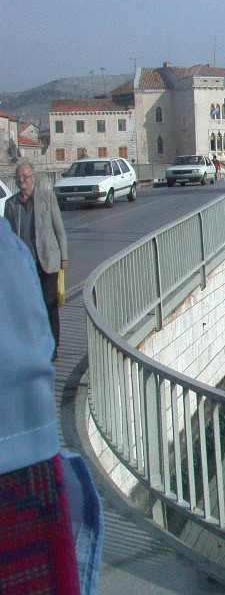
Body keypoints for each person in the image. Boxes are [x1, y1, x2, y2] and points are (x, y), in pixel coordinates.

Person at [0, 216, 81, 594]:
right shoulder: (8, 253)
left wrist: (62, 255)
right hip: (26, 478)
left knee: (51, 313)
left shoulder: (9, 248)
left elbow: (56, 228)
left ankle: (56, 343)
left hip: (44, 263)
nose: (26, 182)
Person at [5, 162, 68, 359]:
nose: (21, 180)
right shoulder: (11, 204)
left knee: (49, 305)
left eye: (25, 176)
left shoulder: (47, 197)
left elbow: (59, 227)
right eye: (18, 177)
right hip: (24, 265)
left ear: (34, 177)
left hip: (48, 260)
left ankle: (52, 347)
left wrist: (63, 255)